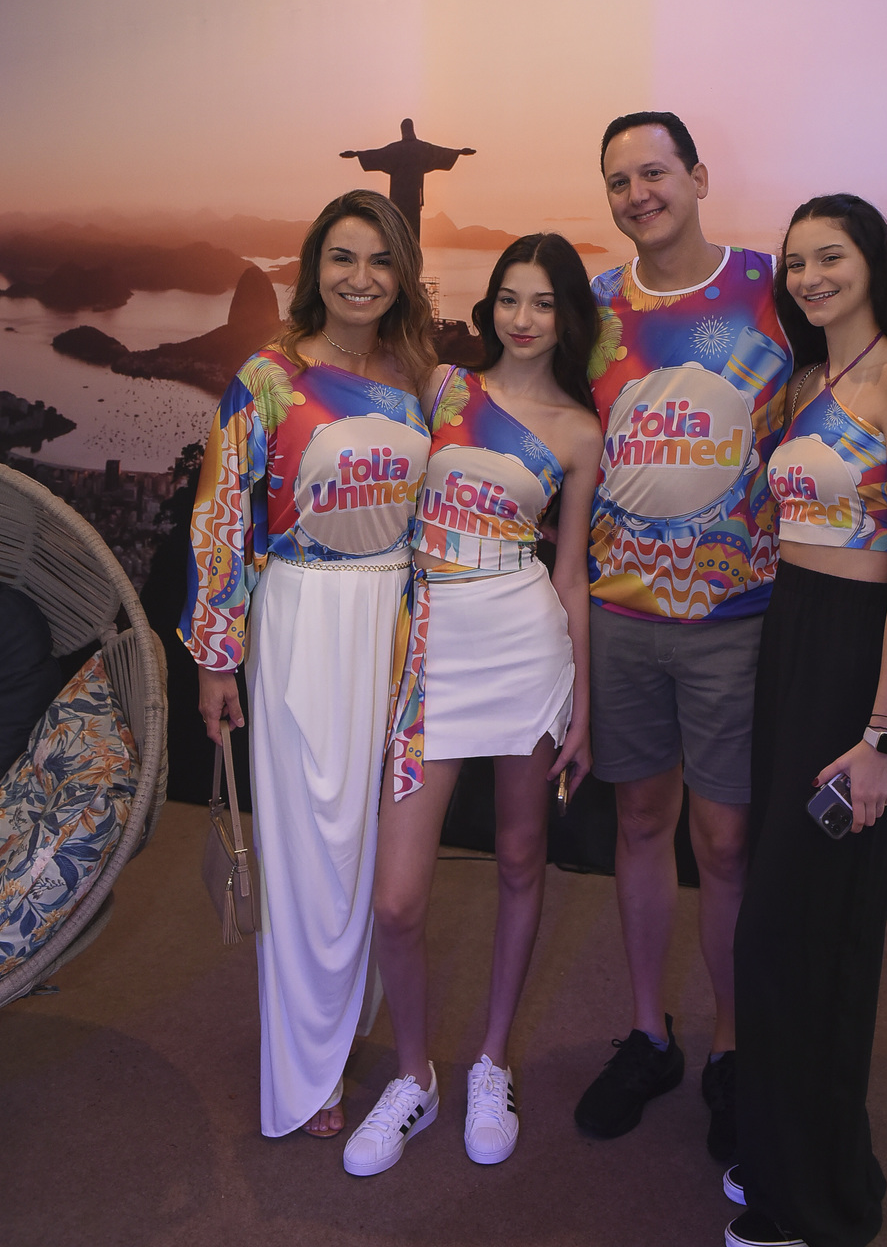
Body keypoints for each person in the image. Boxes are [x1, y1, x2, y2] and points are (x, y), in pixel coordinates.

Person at [573, 114, 887, 1165]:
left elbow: (867, 408)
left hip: (744, 616)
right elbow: (541, 414)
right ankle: (648, 1035)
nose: (639, 193)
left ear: (698, 176)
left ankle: (734, 1052)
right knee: (640, 823)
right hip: (620, 613)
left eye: (655, 171)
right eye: (618, 180)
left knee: (729, 843)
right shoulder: (595, 308)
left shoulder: (769, 289)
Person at [725, 194, 887, 1247]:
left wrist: (883, 737)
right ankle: (786, 1152)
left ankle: (814, 1204)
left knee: (813, 934)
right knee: (779, 929)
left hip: (854, 661)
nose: (811, 276)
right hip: (790, 642)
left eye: (831, 256)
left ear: (873, 263)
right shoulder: (804, 382)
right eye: (796, 262)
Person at [341, 234, 603, 1177]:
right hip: (431, 654)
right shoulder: (444, 387)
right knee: (398, 900)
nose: (523, 319)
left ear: (567, 317)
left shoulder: (579, 431)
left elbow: (570, 573)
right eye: (509, 299)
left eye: (544, 303)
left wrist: (583, 701)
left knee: (522, 859)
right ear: (489, 306)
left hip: (526, 649)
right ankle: (414, 1078)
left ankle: (493, 1062)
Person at [180, 190, 435, 1141]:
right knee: (306, 847)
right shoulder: (268, 377)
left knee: (371, 842)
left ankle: (346, 1022)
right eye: (342, 258)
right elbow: (221, 518)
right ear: (313, 268)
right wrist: (216, 660)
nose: (361, 278)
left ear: (403, 273)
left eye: (380, 259)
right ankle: (307, 1066)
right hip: (302, 614)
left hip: (396, 623)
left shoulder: (422, 378)